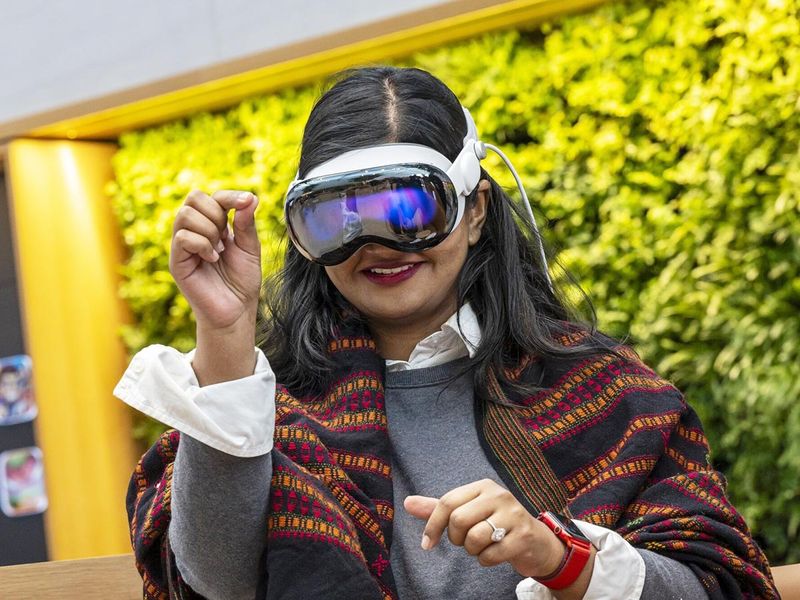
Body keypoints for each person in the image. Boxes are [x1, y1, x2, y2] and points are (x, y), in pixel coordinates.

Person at [116, 66, 779, 600]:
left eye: (407, 205)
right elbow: (216, 584)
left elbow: (717, 585)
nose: (375, 243)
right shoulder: (276, 413)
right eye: (339, 218)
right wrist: (226, 332)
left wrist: (559, 557)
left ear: (473, 208)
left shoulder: (606, 392)